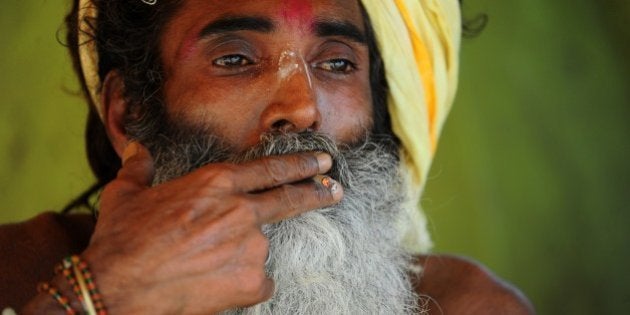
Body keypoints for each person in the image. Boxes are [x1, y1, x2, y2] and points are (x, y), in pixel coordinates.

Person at [1, 0, 535, 314]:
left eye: (338, 64)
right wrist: (101, 295)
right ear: (129, 115)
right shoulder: (20, 274)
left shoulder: (464, 305)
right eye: (234, 59)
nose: (302, 109)